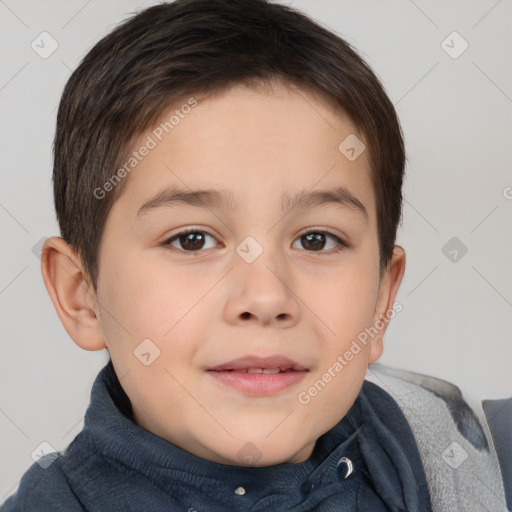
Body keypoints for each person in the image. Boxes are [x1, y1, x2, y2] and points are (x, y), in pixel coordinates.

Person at [2, 0, 507, 510]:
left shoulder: (481, 469)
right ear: (81, 295)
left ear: (382, 299)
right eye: (192, 240)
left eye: (316, 240)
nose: (265, 297)